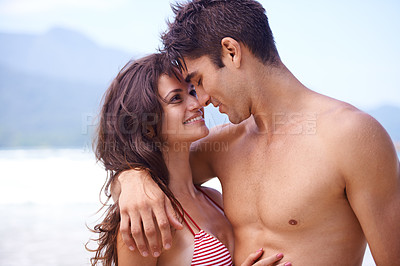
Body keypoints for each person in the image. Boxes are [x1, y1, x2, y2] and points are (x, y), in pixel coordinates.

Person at [113, 0, 400, 265]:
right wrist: (132, 178)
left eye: (198, 81)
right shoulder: (225, 145)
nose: (200, 100)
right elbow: (158, 169)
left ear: (232, 52)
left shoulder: (351, 137)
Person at [87, 53, 292, 266]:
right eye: (176, 98)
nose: (196, 103)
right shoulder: (146, 218)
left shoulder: (215, 198)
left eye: (192, 91)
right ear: (147, 124)